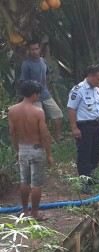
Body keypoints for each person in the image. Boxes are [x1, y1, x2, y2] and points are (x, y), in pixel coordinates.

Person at [8, 80, 54, 220]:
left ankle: (24, 210)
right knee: (36, 183)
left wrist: (17, 149)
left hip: (23, 148)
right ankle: (34, 213)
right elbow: (44, 134)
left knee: (24, 181)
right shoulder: (38, 112)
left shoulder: (12, 110)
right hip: (36, 149)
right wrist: (49, 154)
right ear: (34, 94)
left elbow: (12, 133)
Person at [67, 65, 99, 194]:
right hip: (84, 126)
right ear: (90, 76)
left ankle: (91, 176)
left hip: (97, 125)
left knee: (95, 153)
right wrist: (74, 127)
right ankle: (84, 182)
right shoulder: (78, 90)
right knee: (84, 154)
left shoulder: (98, 91)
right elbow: (71, 109)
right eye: (98, 79)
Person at [19, 39, 65, 142]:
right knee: (39, 119)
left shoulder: (43, 61)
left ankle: (58, 135)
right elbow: (23, 81)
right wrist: (29, 95)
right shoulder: (26, 64)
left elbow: (48, 73)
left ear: (40, 49)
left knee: (58, 114)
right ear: (28, 51)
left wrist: (44, 84)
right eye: (32, 49)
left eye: (36, 49)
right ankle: (48, 138)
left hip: (45, 93)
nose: (35, 51)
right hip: (33, 96)